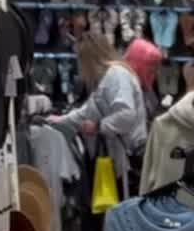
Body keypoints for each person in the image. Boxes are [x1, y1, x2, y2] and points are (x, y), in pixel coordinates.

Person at [53, 34, 147, 196]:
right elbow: (86, 112)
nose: (80, 65)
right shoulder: (106, 79)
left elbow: (126, 115)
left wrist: (98, 126)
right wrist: (59, 120)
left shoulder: (116, 75)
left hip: (130, 159)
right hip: (124, 160)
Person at [124, 37, 164, 124]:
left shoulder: (143, 84)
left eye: (157, 66)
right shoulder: (124, 89)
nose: (156, 71)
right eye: (153, 65)